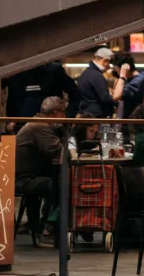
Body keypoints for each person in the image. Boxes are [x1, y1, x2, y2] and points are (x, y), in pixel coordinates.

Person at [15, 96, 69, 245]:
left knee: (57, 182)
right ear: (56, 112)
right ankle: (48, 227)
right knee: (62, 186)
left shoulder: (38, 123)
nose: (65, 116)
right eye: (64, 112)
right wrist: (65, 132)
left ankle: (43, 224)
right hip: (24, 179)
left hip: (29, 175)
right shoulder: (40, 126)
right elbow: (60, 152)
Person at [7, 61, 78, 120]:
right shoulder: (18, 72)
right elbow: (13, 99)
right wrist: (11, 121)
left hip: (51, 124)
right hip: (23, 124)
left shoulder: (54, 70)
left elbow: (75, 93)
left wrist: (68, 116)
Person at [75, 47, 116, 120]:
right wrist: (118, 101)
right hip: (95, 116)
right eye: (109, 63)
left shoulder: (87, 72)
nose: (109, 66)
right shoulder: (97, 75)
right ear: (105, 61)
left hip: (88, 113)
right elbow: (105, 98)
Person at [111, 54, 144, 119]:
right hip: (129, 122)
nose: (115, 71)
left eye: (116, 69)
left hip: (134, 124)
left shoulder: (138, 82)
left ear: (124, 68)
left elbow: (116, 96)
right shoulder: (131, 80)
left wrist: (122, 76)